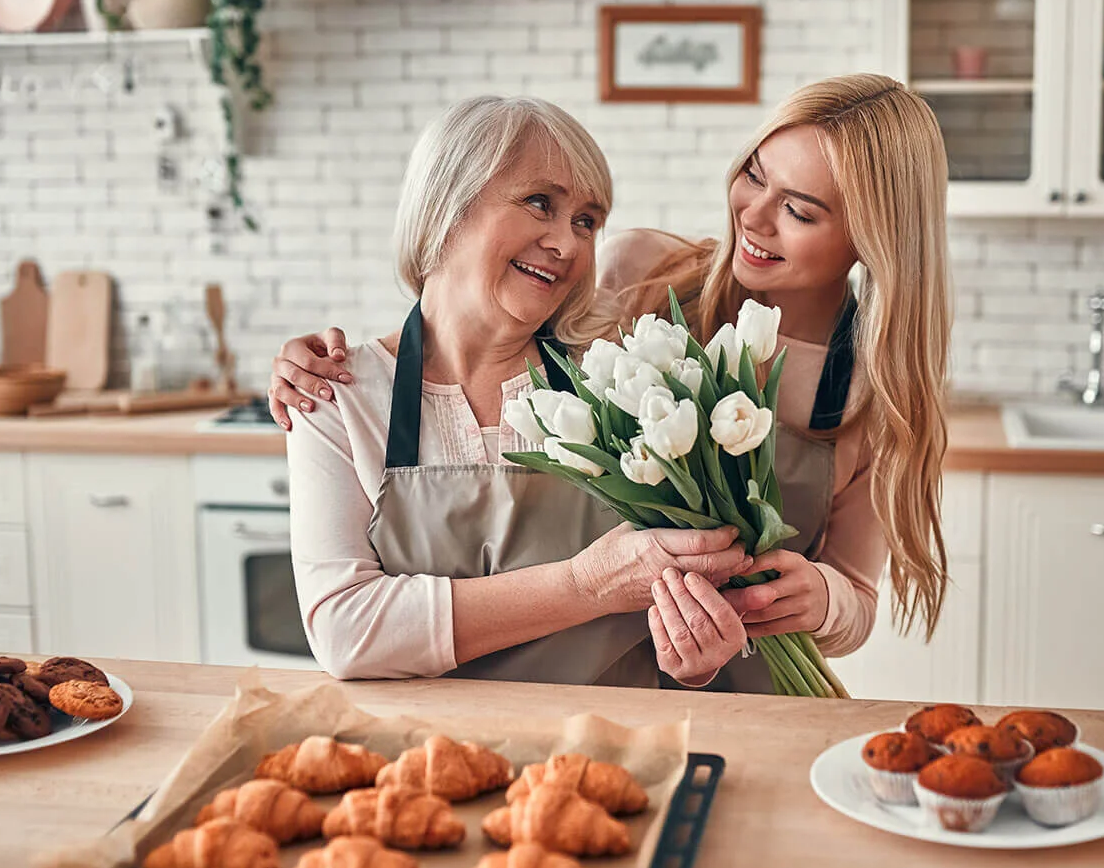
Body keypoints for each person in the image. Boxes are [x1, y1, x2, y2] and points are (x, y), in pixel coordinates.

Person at [272, 75, 952, 692]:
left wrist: (819, 602)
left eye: (800, 211)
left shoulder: (876, 390)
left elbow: (853, 596)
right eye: (752, 173)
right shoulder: (644, 300)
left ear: (873, 238)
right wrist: (317, 367)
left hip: (742, 704)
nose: (752, 215)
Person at [285, 94, 751, 685]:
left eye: (586, 220)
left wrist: (694, 656)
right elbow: (347, 630)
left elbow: (673, 620)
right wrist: (586, 586)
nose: (568, 244)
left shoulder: (620, 380)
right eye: (540, 204)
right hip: (430, 763)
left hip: (609, 751)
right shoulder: (337, 395)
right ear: (446, 207)